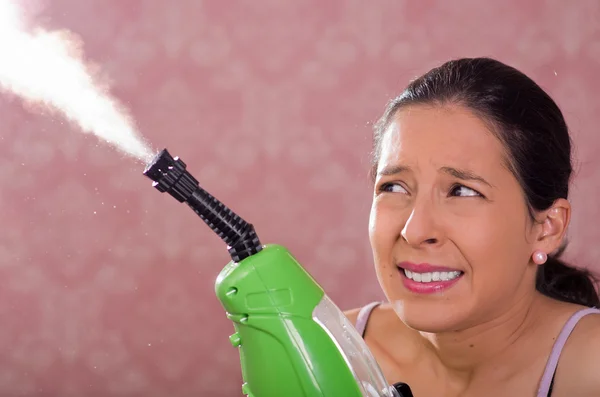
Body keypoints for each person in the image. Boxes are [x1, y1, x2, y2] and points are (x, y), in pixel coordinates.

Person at [345, 57, 600, 397]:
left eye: (462, 191)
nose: (415, 230)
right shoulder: (317, 350)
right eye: (394, 187)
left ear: (546, 228)